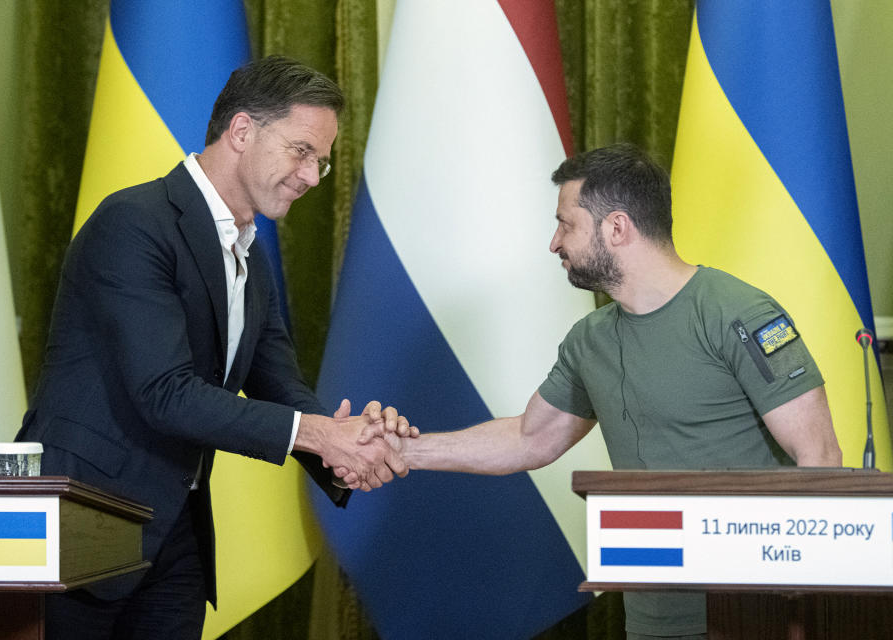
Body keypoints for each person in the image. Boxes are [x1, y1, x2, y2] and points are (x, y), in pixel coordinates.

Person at [346, 143, 843, 639]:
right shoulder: (590, 339)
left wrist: (803, 588)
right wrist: (406, 450)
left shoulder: (737, 312)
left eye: (566, 224)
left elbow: (818, 454)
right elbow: (529, 438)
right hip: (652, 619)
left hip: (755, 616)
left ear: (617, 228)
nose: (554, 242)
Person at [17, 56, 412, 639]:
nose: (310, 176)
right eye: (302, 151)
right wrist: (319, 435)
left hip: (176, 534)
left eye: (321, 163)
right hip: (82, 524)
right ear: (243, 130)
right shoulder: (134, 222)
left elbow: (279, 380)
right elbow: (165, 393)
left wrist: (347, 443)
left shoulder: (247, 253)